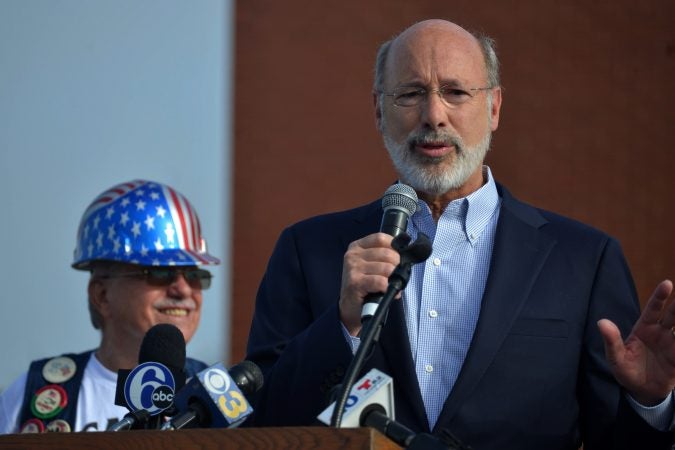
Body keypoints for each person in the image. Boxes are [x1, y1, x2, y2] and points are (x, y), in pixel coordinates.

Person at [245, 19, 675, 449]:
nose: (434, 116)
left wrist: (648, 402)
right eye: (410, 94)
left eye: (455, 92)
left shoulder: (584, 261)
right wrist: (341, 324)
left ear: (494, 108)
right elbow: (259, 421)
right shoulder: (310, 252)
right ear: (378, 110)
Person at [0, 179, 220, 433]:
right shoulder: (35, 392)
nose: (183, 290)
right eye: (160, 273)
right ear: (102, 295)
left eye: (195, 275)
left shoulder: (217, 397)